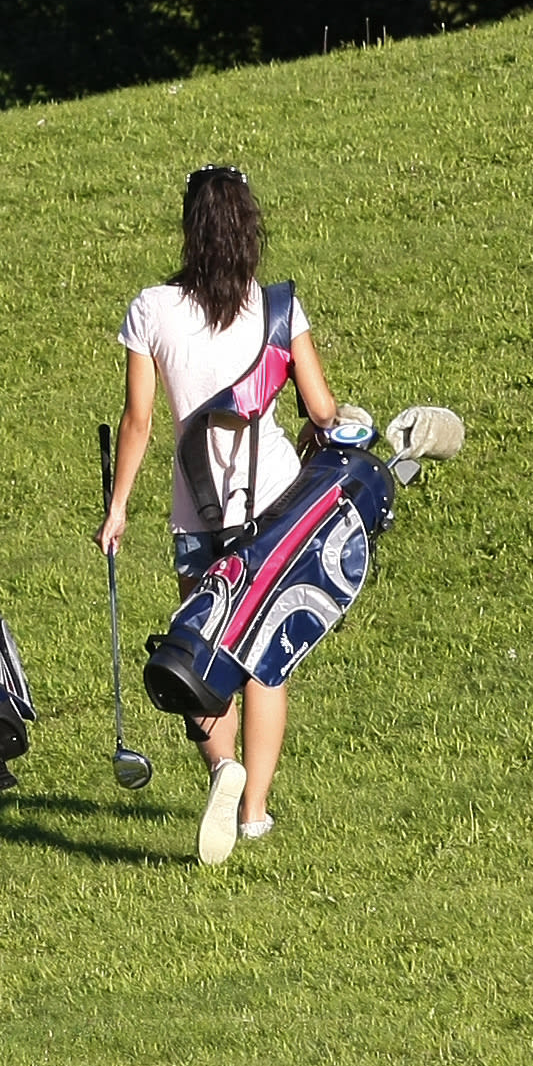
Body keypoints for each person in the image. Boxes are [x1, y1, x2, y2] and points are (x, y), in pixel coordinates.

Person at [100, 162, 340, 867]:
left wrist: (118, 508)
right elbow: (323, 409)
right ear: (248, 228)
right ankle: (255, 811)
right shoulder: (277, 309)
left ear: (190, 228)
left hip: (197, 513)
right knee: (269, 658)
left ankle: (221, 769)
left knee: (203, 655)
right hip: (278, 508)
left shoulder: (152, 310)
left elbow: (139, 420)